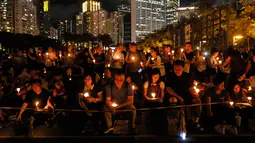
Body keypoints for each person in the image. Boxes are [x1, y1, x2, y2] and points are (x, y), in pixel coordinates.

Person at [166, 60, 203, 131]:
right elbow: (168, 88)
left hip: (186, 95)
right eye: (175, 69)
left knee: (197, 101)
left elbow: (190, 88)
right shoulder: (170, 75)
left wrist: (194, 94)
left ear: (183, 68)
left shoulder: (187, 75)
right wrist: (178, 97)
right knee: (174, 100)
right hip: (175, 96)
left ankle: (195, 121)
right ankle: (176, 123)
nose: (176, 71)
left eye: (179, 69)